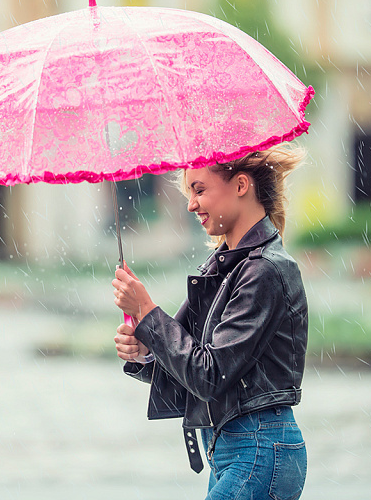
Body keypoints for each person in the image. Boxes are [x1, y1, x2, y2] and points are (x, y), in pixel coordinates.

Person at [112, 143, 309, 500]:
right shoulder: (225, 268)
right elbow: (193, 361)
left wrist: (147, 310)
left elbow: (209, 374)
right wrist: (146, 350)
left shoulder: (264, 270)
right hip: (234, 450)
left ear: (240, 185)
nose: (191, 204)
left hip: (258, 450)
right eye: (189, 192)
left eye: (199, 190)